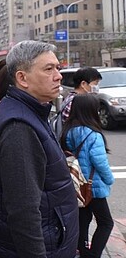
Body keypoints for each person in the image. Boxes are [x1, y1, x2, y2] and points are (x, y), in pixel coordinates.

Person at [0, 40, 79, 257]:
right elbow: (23, 212)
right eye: (48, 69)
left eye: (58, 68)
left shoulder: (30, 112)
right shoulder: (19, 126)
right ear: (22, 78)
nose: (58, 75)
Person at [61, 94, 114, 258]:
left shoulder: (68, 132)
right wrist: (109, 179)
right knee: (106, 223)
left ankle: (82, 251)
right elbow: (100, 163)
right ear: (91, 111)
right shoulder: (93, 135)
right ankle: (93, 255)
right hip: (93, 187)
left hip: (76, 186)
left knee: (83, 220)